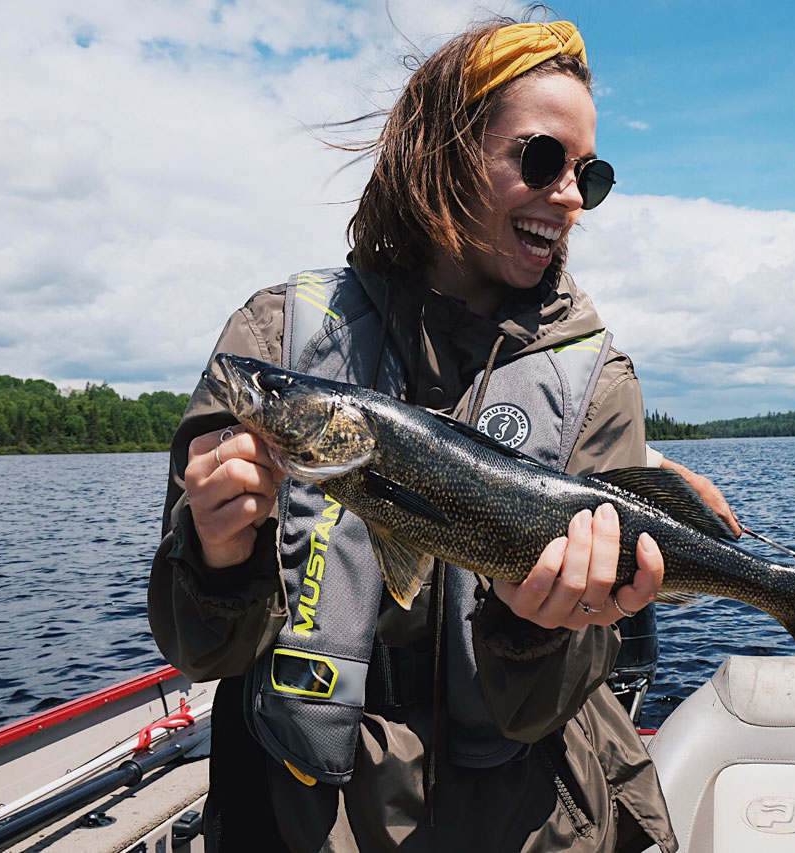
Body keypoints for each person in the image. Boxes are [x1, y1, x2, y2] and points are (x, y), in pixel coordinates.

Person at [149, 18, 690, 853]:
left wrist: (537, 627)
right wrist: (218, 556)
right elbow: (198, 646)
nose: (572, 196)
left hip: (528, 820)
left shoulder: (601, 383)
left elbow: (546, 705)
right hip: (304, 817)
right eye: (542, 160)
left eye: (592, 175)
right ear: (443, 152)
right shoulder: (273, 338)